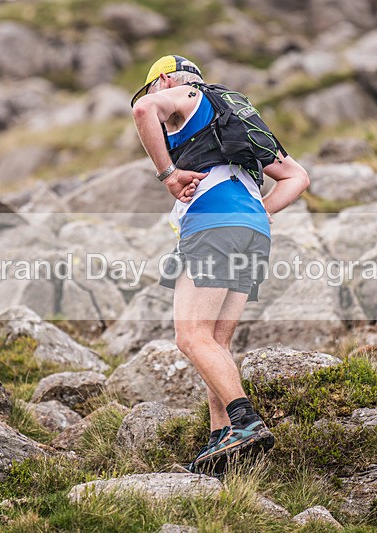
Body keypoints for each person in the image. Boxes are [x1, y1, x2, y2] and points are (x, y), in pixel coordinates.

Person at [131, 55, 310, 474]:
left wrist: (169, 175)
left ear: (167, 79)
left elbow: (142, 111)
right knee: (215, 341)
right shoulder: (236, 115)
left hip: (213, 226)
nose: (156, 96)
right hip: (252, 231)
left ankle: (245, 420)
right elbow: (298, 176)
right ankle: (221, 438)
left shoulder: (184, 97)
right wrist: (257, 210)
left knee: (191, 336)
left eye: (154, 86)